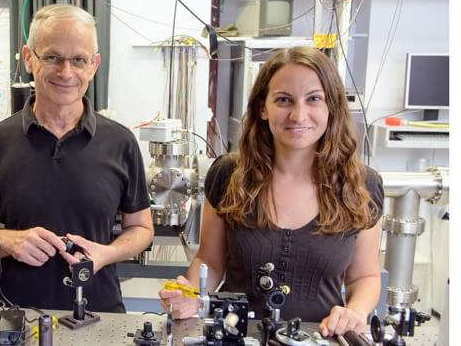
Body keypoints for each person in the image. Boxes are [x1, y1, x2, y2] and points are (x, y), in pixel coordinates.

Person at [159, 46, 384, 337]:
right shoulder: (229, 175)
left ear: (332, 107)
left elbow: (364, 276)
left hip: (320, 339)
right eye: (284, 100)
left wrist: (355, 312)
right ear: (263, 107)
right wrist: (189, 293)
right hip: (235, 337)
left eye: (314, 99)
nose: (298, 114)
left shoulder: (361, 185)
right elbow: (210, 261)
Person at [0, 4, 154, 312]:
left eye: (78, 60)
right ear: (29, 58)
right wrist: (8, 241)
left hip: (98, 314)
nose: (66, 72)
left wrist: (105, 254)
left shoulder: (121, 142)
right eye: (52, 57)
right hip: (14, 315)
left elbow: (142, 229)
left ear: (93, 65)